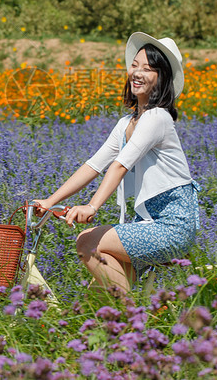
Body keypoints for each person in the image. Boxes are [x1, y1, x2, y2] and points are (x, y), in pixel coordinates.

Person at [32, 32, 200, 293]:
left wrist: (92, 206)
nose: (137, 73)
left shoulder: (157, 118)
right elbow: (93, 165)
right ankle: (130, 325)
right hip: (146, 223)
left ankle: (134, 323)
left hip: (172, 226)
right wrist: (49, 201)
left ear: (161, 78)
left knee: (87, 243)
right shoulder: (126, 123)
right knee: (99, 294)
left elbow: (119, 165)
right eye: (134, 65)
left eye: (148, 68)